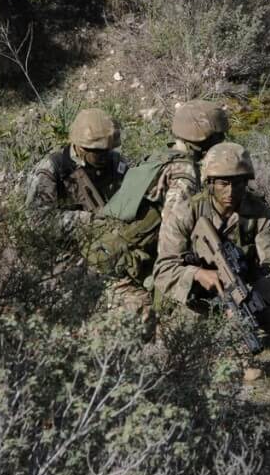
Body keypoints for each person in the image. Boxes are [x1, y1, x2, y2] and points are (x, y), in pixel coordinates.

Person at [86, 100, 229, 331]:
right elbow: (172, 237)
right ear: (203, 138)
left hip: (110, 254)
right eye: (218, 138)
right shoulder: (183, 175)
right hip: (119, 269)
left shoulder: (158, 158)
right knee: (162, 325)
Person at [153, 142, 270, 339]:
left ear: (246, 182)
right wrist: (197, 274)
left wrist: (251, 301)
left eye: (237, 184)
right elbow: (163, 270)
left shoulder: (261, 214)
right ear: (210, 183)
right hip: (194, 297)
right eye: (223, 184)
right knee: (187, 328)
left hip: (241, 291)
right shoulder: (185, 213)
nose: (230, 192)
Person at [25, 108, 128, 230]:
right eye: (99, 152)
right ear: (81, 148)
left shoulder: (115, 161)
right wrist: (86, 220)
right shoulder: (52, 169)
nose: (105, 156)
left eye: (109, 150)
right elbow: (37, 219)